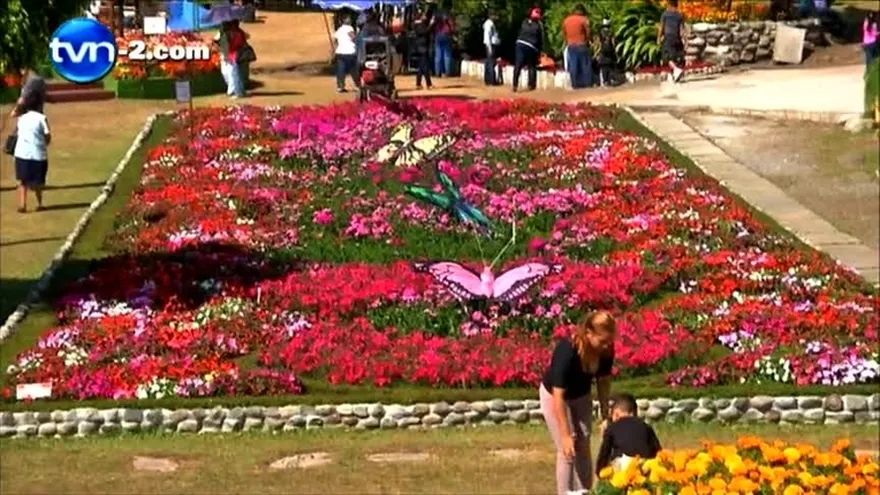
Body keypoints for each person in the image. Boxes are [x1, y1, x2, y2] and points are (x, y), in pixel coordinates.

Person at [540, 310, 616, 495]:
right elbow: (558, 395)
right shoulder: (567, 350)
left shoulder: (605, 351)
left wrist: (605, 413)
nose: (606, 346)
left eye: (609, 341)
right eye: (602, 341)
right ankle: (564, 492)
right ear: (588, 333)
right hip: (555, 396)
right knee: (567, 449)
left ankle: (585, 491)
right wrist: (565, 434)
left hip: (581, 395)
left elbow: (603, 381)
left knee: (584, 442)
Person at [595, 393, 662, 473]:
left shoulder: (612, 427)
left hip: (624, 465)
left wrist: (599, 471)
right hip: (645, 465)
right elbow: (658, 451)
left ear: (616, 414)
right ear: (635, 413)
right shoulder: (646, 427)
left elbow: (604, 455)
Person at [13, 95, 51, 213]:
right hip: (38, 154)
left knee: (22, 181)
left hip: (22, 153)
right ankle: (39, 203)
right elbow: (47, 135)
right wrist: (44, 144)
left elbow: (18, 132)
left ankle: (22, 204)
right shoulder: (42, 118)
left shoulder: (21, 118)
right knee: (38, 182)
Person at [513, 8, 544, 92]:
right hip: (531, 46)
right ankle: (531, 85)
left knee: (518, 64)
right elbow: (540, 38)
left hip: (520, 43)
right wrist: (540, 50)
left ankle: (514, 85)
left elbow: (520, 32)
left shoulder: (524, 22)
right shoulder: (539, 24)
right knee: (532, 65)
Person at [562, 4, 592, 89]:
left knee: (573, 64)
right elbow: (588, 32)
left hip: (571, 45)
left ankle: (575, 84)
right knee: (585, 64)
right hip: (582, 44)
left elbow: (564, 33)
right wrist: (588, 40)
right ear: (582, 11)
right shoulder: (584, 20)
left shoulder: (566, 20)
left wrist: (567, 41)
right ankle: (587, 84)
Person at [657, 0, 687, 83]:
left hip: (668, 38)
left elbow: (661, 27)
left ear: (669, 5)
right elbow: (682, 31)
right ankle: (674, 75)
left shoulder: (665, 14)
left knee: (666, 56)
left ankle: (676, 70)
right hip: (677, 39)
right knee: (675, 57)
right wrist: (685, 41)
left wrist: (659, 38)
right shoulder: (680, 16)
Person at [333, 15, 359, 93]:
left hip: (340, 52)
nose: (350, 20)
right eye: (349, 19)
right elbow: (353, 37)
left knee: (341, 70)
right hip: (350, 52)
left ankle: (340, 86)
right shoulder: (349, 28)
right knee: (354, 70)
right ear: (345, 21)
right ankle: (358, 85)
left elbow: (336, 41)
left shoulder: (339, 30)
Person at [412, 12, 433, 90]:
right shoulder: (418, 25)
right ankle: (429, 83)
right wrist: (431, 25)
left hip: (422, 47)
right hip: (421, 48)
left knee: (421, 67)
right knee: (425, 66)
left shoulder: (420, 24)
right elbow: (424, 32)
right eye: (423, 15)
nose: (425, 16)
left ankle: (418, 83)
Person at [432, 9, 455, 77]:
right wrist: (452, 33)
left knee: (438, 55)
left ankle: (437, 72)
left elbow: (433, 24)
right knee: (447, 55)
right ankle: (447, 72)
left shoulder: (437, 15)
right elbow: (452, 27)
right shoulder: (448, 16)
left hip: (438, 34)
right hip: (446, 35)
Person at [597, 18, 617, 87]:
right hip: (610, 52)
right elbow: (613, 43)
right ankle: (612, 80)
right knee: (611, 67)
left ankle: (605, 81)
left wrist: (597, 53)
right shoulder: (611, 33)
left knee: (604, 68)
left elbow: (599, 44)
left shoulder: (600, 33)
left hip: (603, 53)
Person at [483, 10, 501, 86]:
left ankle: (488, 79)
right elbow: (487, 36)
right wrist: (489, 47)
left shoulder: (491, 23)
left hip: (491, 44)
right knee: (491, 62)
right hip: (490, 45)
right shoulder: (489, 24)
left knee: (489, 62)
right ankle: (491, 80)